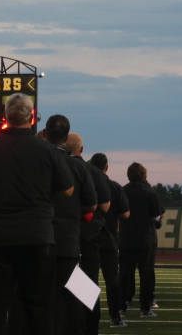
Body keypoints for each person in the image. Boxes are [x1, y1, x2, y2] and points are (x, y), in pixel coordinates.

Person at [0, 93, 74, 335]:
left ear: (4, 117)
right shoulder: (47, 150)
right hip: (38, 236)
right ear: (33, 117)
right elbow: (67, 189)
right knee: (39, 309)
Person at [33, 115, 97, 335]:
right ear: (67, 137)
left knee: (32, 297)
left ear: (44, 133)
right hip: (68, 242)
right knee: (71, 297)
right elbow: (92, 205)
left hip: (35, 238)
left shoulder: (34, 161)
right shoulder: (78, 167)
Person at [63, 133, 110, 335]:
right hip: (86, 236)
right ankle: (89, 327)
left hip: (59, 235)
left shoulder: (56, 165)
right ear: (81, 150)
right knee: (87, 284)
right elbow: (104, 206)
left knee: (61, 286)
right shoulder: (91, 171)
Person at [89, 152, 130, 328]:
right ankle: (115, 317)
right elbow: (125, 213)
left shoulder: (87, 183)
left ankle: (89, 319)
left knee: (89, 281)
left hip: (89, 240)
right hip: (109, 241)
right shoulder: (114, 187)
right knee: (112, 281)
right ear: (107, 167)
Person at [119, 162, 163, 318]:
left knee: (124, 274)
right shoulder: (150, 192)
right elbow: (157, 217)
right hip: (145, 239)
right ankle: (145, 308)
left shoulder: (122, 191)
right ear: (144, 176)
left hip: (125, 239)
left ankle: (121, 307)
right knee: (146, 275)